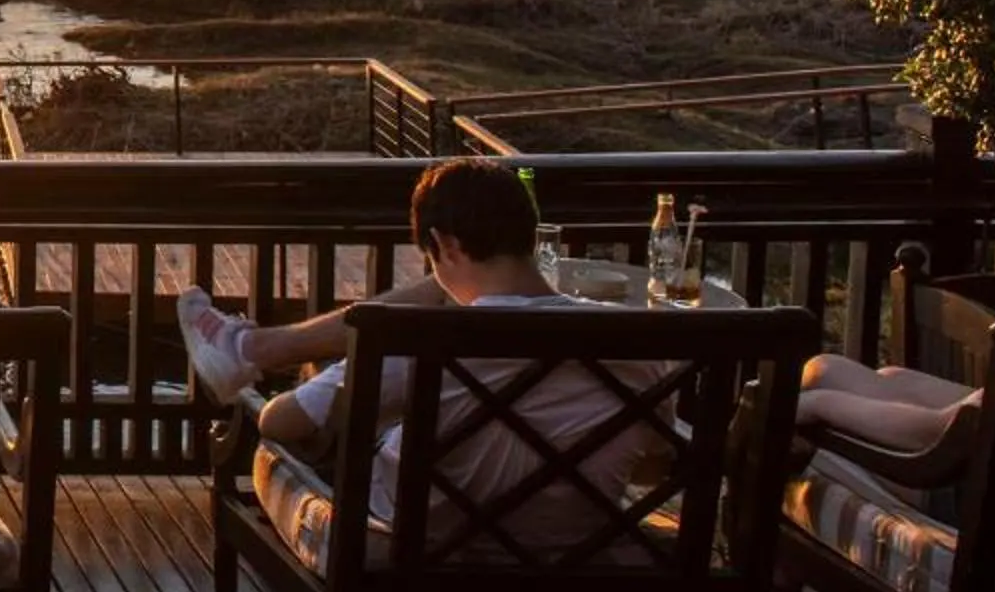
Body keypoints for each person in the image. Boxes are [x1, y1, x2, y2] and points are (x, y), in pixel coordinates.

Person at [179, 157, 653, 540]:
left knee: (336, 412)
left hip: (424, 540)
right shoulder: (640, 343)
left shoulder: (421, 342)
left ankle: (248, 350)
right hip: (582, 537)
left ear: (443, 246)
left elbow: (280, 423)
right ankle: (250, 348)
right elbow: (654, 454)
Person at [794, 179, 995, 453]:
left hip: (985, 491)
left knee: (805, 443)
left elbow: (939, 432)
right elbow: (973, 415)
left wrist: (820, 405)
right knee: (827, 370)